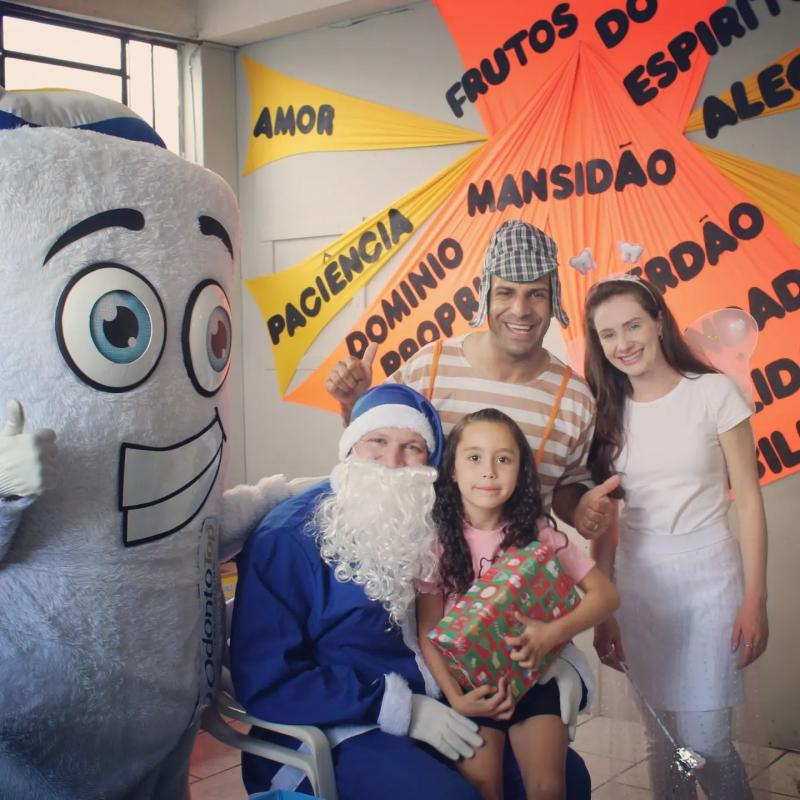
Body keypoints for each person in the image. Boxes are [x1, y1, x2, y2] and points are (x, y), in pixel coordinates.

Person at [230, 384, 594, 800]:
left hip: (445, 703)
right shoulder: (287, 537)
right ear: (351, 446)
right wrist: (402, 708)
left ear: (432, 462)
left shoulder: (443, 522)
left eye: (412, 448)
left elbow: (495, 608)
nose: (392, 462)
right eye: (377, 442)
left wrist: (557, 657)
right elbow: (267, 679)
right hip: (337, 727)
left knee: (568, 779)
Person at [583, 274, 769, 799]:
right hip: (639, 587)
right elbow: (608, 520)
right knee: (663, 744)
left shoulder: (713, 393)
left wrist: (755, 598)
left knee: (707, 744)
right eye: (608, 334)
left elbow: (749, 501)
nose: (624, 343)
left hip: (711, 580)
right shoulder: (605, 413)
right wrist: (603, 608)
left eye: (634, 325)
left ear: (659, 322)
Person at [326, 219, 619, 542]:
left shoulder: (575, 398)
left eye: (536, 294)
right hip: (424, 561)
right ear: (485, 295)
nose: (520, 309)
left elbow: (568, 484)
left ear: (553, 300)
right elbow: (376, 450)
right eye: (506, 292)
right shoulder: (430, 365)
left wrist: (579, 511)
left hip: (517, 569)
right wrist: (354, 403)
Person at [417, 409, 619, 800]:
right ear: (453, 470)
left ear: (521, 471)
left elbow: (606, 596)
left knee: (548, 787)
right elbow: (429, 631)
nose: (489, 472)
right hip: (471, 686)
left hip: (535, 678)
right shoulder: (436, 542)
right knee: (483, 787)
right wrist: (456, 697)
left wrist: (552, 634)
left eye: (504, 459)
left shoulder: (536, 533)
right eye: (474, 457)